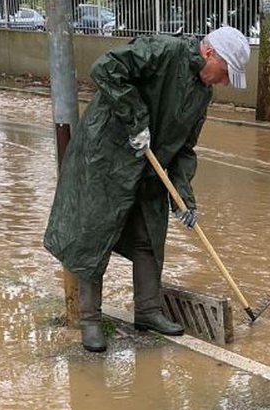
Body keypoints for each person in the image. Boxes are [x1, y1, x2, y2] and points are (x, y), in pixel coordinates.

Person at [44, 26, 250, 353]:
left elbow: (185, 148)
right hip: (107, 155)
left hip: (150, 166)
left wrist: (184, 198)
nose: (224, 82)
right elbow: (106, 69)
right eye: (225, 73)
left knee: (149, 235)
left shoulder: (202, 94)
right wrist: (136, 120)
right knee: (94, 235)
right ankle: (90, 320)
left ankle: (148, 311)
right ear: (208, 53)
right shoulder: (163, 51)